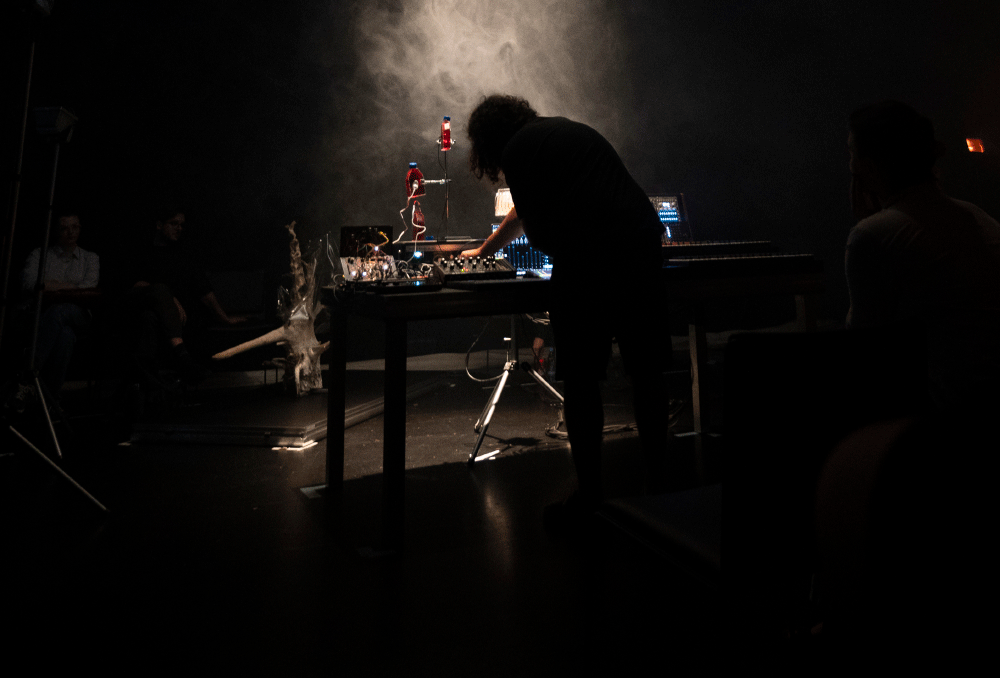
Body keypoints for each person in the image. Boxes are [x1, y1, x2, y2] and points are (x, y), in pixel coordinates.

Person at [463, 94, 669, 526]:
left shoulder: (517, 150)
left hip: (590, 258)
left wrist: (560, 258)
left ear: (489, 140)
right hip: (643, 245)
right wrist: (485, 250)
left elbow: (539, 232)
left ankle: (589, 496)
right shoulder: (563, 131)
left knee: (581, 380)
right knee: (647, 373)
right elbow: (521, 212)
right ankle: (663, 489)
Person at [845, 101, 1000, 412]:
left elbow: (862, 349)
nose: (850, 166)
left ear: (870, 167)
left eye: (852, 154)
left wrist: (867, 223)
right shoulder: (980, 218)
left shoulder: (874, 235)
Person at [124, 207, 247, 385]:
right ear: (159, 225)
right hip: (150, 306)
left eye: (181, 225)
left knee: (150, 319)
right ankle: (180, 359)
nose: (179, 228)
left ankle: (153, 380)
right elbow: (136, 285)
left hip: (179, 315)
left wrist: (224, 318)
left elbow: (204, 291)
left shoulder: (184, 254)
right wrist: (170, 300)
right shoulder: (145, 252)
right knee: (149, 313)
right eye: (174, 223)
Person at [20, 211, 100, 396]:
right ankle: (50, 398)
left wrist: (50, 285)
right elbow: (28, 283)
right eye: (64, 228)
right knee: (65, 336)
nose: (70, 232)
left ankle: (25, 377)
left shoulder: (90, 258)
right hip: (40, 312)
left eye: (75, 227)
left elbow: (87, 288)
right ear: (55, 231)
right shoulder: (40, 254)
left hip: (78, 313)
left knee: (60, 311)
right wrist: (70, 287)